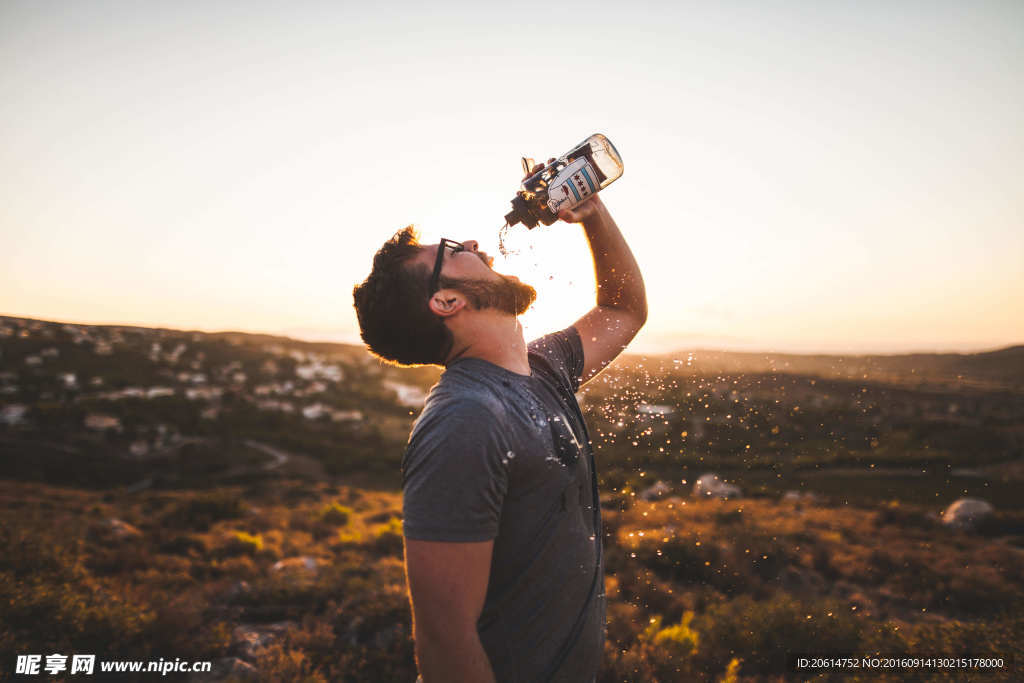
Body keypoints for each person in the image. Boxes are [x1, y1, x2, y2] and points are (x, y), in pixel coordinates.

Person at [351, 180, 646, 682]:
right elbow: (445, 640)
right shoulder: (465, 420)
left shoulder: (543, 367)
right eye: (450, 250)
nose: (470, 244)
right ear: (445, 301)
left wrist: (593, 214)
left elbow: (622, 310)